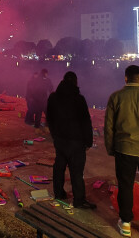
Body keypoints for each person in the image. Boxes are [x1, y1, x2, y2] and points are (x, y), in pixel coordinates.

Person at [46, 71, 96, 209]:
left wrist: (54, 135)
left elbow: (49, 118)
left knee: (59, 168)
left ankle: (59, 194)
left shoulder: (53, 98)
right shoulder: (79, 99)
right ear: (75, 82)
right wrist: (88, 142)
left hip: (60, 140)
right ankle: (79, 200)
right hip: (76, 141)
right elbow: (86, 122)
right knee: (76, 172)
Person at [104, 65, 139, 237]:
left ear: (126, 78)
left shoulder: (116, 97)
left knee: (125, 186)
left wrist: (111, 148)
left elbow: (109, 127)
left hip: (124, 149)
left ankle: (125, 223)